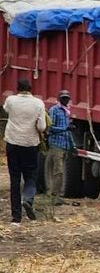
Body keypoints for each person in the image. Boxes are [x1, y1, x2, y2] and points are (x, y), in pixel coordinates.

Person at [3, 77, 49, 224]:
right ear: (31, 89)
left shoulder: (10, 100)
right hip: (30, 144)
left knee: (15, 179)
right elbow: (42, 127)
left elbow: (5, 109)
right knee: (30, 176)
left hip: (13, 142)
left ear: (17, 88)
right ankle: (28, 199)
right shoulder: (38, 103)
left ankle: (16, 217)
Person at [43, 91, 72, 198]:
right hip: (56, 144)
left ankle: (55, 193)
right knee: (58, 170)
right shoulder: (54, 110)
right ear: (59, 99)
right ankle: (55, 194)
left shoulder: (67, 111)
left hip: (65, 144)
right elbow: (50, 128)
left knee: (60, 171)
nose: (66, 100)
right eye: (63, 98)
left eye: (67, 98)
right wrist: (64, 129)